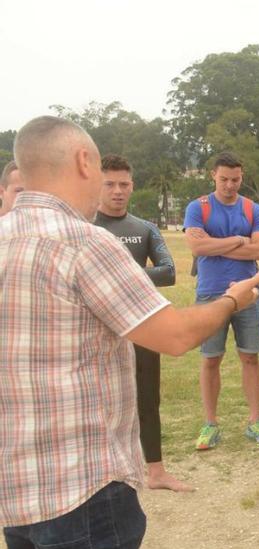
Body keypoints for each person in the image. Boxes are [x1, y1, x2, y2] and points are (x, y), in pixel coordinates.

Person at [0, 115, 259, 549]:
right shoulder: (84, 242)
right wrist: (232, 301)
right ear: (84, 164)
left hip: (15, 489)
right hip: (84, 487)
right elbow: (172, 336)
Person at [93, 154, 193, 492]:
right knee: (98, 401)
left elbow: (169, 271)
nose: (118, 191)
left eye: (124, 184)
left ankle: (157, 471)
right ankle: (102, 473)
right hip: (98, 329)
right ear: (98, 184)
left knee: (148, 398)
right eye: (110, 184)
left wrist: (120, 276)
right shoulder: (86, 226)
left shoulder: (144, 228)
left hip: (142, 324)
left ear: (132, 186)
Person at [183, 152, 259, 449]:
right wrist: (238, 240)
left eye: (235, 180)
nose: (229, 185)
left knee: (250, 356)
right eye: (224, 179)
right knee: (211, 358)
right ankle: (210, 424)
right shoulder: (198, 208)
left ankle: (255, 420)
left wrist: (215, 246)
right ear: (213, 176)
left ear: (242, 177)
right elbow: (197, 246)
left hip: (247, 293)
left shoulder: (253, 210)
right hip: (210, 293)